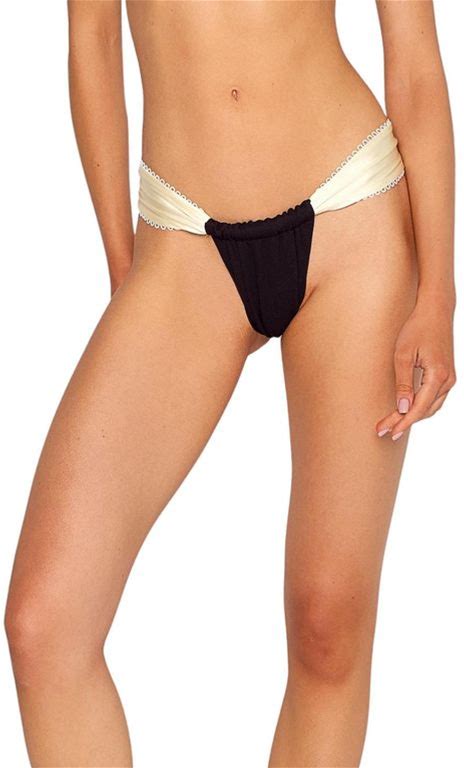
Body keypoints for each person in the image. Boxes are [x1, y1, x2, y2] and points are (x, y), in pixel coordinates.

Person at [5, 1, 456, 766]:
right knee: (45, 624)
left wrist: (437, 295)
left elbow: (413, 60)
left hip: (352, 215)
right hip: (184, 239)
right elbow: (92, 40)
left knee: (328, 623)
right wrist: (125, 268)